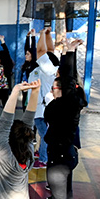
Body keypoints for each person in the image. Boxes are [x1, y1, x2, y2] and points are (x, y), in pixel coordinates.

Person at [33, 38, 88, 199]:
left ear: (60, 89)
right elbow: (69, 77)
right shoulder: (73, 102)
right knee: (66, 195)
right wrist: (69, 52)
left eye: (56, 85)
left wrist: (69, 53)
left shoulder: (60, 105)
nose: (53, 86)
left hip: (60, 156)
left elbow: (67, 78)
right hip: (68, 154)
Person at [28, 28, 59, 169]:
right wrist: (47, 35)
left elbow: (41, 51)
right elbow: (49, 49)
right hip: (41, 107)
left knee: (45, 134)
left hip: (42, 109)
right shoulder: (50, 67)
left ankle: (44, 159)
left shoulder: (48, 70)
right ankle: (41, 153)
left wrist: (41, 34)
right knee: (43, 134)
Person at [19, 30, 38, 110]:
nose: (25, 56)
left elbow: (33, 49)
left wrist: (33, 36)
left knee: (30, 108)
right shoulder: (25, 65)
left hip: (31, 90)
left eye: (28, 54)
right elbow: (26, 49)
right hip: (25, 89)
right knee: (24, 107)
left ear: (32, 56)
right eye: (26, 54)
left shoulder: (34, 64)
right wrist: (27, 37)